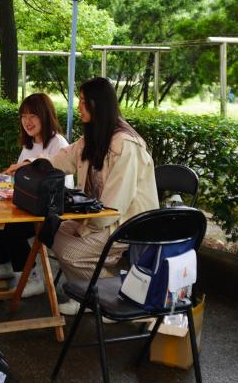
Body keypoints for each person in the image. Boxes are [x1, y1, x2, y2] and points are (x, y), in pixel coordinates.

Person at [44, 77, 158, 315]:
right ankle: (89, 295)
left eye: (83, 101)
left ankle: (113, 297)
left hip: (126, 224)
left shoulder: (125, 144)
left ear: (99, 104)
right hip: (101, 217)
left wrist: (83, 226)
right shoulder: (95, 136)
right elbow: (64, 158)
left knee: (69, 250)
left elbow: (114, 207)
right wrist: (32, 165)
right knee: (50, 230)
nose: (79, 106)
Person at [0, 93, 69, 297]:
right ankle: (4, 266)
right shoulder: (29, 145)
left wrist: (25, 170)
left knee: (11, 225)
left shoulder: (58, 143)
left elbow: (60, 182)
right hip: (29, 205)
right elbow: (22, 181)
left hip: (51, 211)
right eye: (23, 116)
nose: (27, 121)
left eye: (33, 116)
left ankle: (32, 278)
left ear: (45, 115)